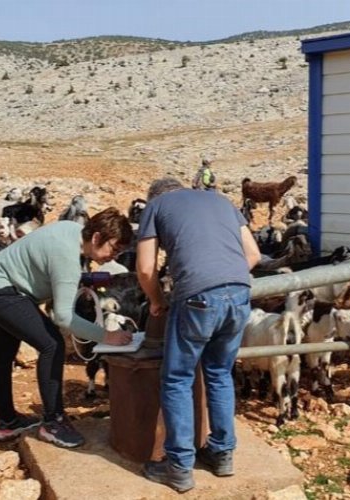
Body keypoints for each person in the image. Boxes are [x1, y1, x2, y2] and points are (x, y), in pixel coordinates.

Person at [136, 177, 260, 492]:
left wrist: (157, 301)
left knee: (177, 378)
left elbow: (146, 268)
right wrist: (224, 279)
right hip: (240, 293)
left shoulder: (156, 205)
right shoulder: (220, 200)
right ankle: (221, 455)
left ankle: (178, 466)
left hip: (196, 298)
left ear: (156, 197)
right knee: (219, 373)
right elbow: (254, 255)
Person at [0, 207, 134, 449]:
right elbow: (63, 317)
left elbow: (52, 268)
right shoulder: (66, 254)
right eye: (113, 249)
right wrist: (106, 336)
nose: (113, 257)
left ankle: (7, 422)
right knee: (52, 344)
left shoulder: (73, 231)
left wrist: (81, 279)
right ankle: (53, 422)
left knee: (2, 355)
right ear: (96, 238)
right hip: (4, 290)